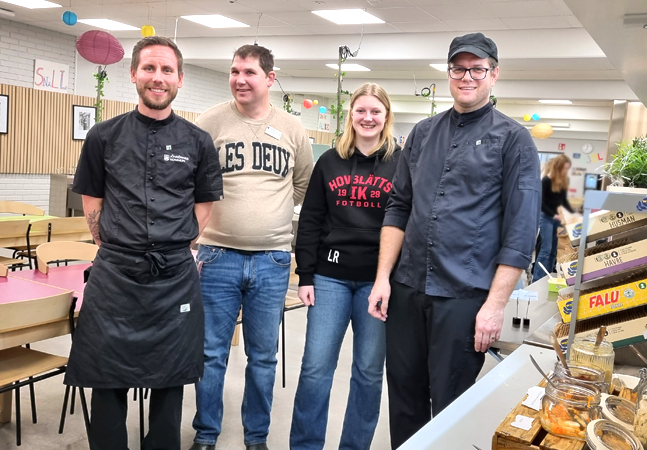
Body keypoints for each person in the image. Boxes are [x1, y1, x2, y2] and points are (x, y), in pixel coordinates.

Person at [367, 32, 541, 448]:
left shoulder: (514, 140)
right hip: (408, 290)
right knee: (405, 398)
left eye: (477, 69)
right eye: (459, 68)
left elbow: (520, 232)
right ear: (449, 73)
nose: (468, 77)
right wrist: (382, 279)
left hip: (464, 297)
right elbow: (398, 208)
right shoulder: (422, 134)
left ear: (493, 74)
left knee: (450, 404)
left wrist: (495, 306)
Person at [65, 36, 223, 450]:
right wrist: (117, 245)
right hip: (115, 274)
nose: (158, 78)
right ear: (133, 74)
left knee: (170, 379)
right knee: (106, 376)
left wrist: (177, 242)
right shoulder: (103, 136)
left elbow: (204, 204)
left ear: (180, 79)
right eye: (150, 68)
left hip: (174, 276)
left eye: (167, 70)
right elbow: (92, 201)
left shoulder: (198, 141)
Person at [190, 44, 313, 450]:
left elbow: (303, 185)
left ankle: (256, 438)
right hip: (216, 257)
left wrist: (268, 213)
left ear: (269, 79)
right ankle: (206, 435)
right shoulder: (210, 122)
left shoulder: (293, 128)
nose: (240, 79)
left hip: (273, 261)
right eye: (234, 71)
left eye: (249, 73)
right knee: (211, 355)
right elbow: (190, 182)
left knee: (263, 359)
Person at [289, 83, 400, 450]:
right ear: (350, 115)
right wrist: (305, 275)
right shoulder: (329, 161)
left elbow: (405, 223)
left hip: (377, 283)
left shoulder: (400, 163)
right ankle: (305, 445)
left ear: (386, 117)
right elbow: (311, 220)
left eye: (375, 112)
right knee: (316, 369)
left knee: (368, 374)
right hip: (329, 278)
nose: (368, 118)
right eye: (361, 111)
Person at [532, 154, 574, 282]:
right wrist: (554, 214)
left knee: (553, 252)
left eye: (567, 169)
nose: (565, 171)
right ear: (558, 167)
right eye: (564, 168)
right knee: (546, 249)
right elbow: (542, 203)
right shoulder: (545, 181)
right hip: (546, 217)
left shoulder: (563, 182)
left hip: (557, 219)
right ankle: (538, 279)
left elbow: (563, 201)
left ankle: (547, 277)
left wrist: (572, 214)